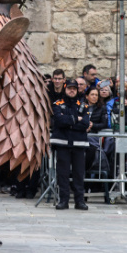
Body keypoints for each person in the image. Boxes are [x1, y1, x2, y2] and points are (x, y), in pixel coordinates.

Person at [51, 78, 89, 210]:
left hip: (79, 144)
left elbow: (85, 123)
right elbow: (59, 121)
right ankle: (64, 201)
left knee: (79, 174)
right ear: (65, 89)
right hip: (62, 144)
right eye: (69, 88)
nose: (72, 90)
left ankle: (80, 201)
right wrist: (75, 119)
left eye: (74, 88)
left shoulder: (83, 105)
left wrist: (69, 121)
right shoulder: (57, 103)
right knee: (63, 174)